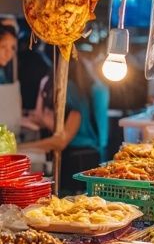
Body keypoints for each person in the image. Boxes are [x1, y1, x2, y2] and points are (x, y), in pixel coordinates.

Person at [21, 57, 102, 192]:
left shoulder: (67, 91)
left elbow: (61, 141)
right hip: (85, 154)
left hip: (80, 158)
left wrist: (21, 147)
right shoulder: (83, 88)